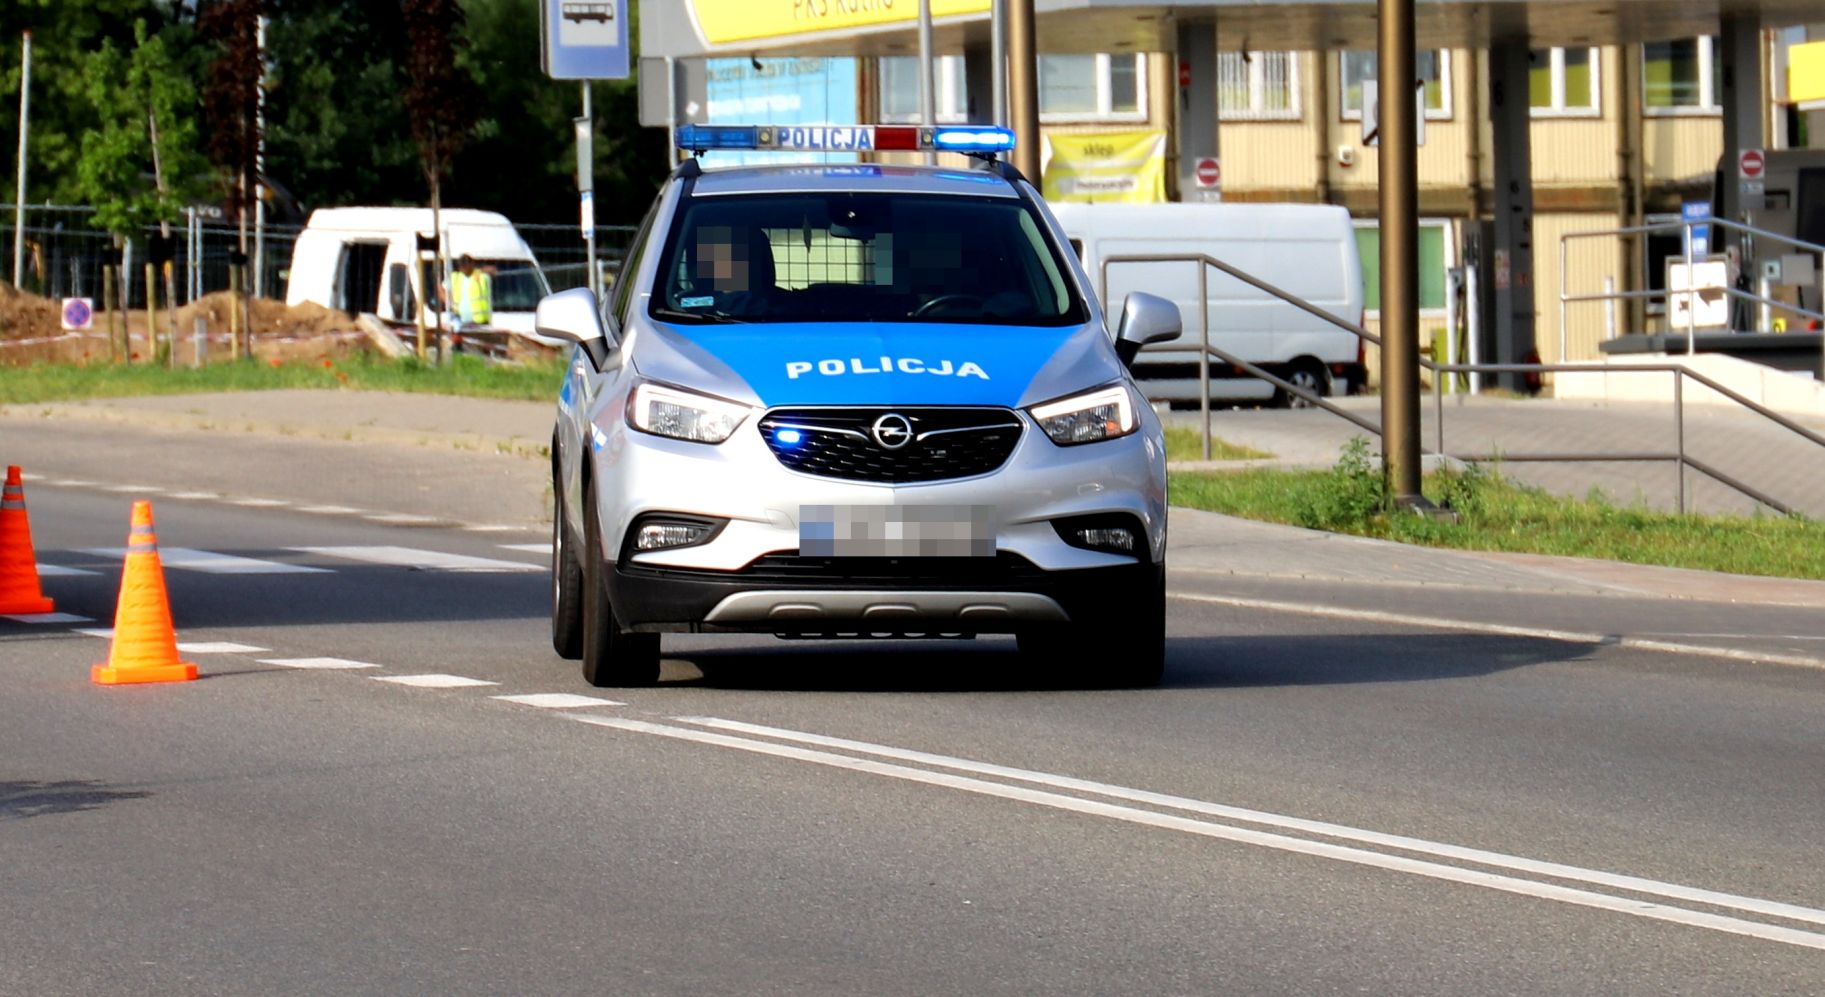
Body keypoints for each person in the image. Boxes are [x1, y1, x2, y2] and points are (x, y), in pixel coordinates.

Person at [445, 255, 493, 329]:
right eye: (462, 265)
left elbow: (493, 270)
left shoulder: (480, 276)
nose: (464, 268)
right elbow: (441, 288)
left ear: (472, 264)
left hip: (479, 323)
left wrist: (481, 270)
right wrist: (448, 301)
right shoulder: (456, 277)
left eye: (466, 264)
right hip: (459, 321)